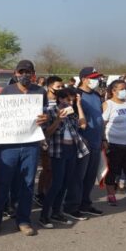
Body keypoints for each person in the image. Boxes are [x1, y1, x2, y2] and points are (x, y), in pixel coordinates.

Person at [0, 60, 48, 236]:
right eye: (21, 72)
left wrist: (46, 118)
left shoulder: (40, 91)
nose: (25, 75)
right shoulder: (7, 91)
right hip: (9, 146)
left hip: (31, 145)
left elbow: (47, 113)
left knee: (28, 183)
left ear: (33, 73)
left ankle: (23, 220)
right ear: (15, 73)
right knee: (2, 183)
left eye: (28, 72)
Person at [38, 87, 87, 229]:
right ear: (60, 99)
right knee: (56, 184)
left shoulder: (71, 113)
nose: (70, 102)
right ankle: (44, 215)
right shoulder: (50, 112)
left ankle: (56, 212)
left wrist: (78, 105)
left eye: (72, 100)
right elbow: (46, 133)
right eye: (67, 99)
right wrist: (58, 119)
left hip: (71, 150)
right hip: (58, 151)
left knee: (65, 183)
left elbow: (83, 125)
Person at [63, 67, 105, 221]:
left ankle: (85, 204)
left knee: (90, 176)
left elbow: (99, 118)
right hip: (82, 142)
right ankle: (71, 206)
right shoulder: (76, 95)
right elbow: (70, 118)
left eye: (97, 77)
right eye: (93, 78)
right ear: (84, 79)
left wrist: (103, 139)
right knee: (78, 176)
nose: (96, 80)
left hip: (96, 141)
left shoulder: (96, 95)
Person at [36, 76, 64, 206]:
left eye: (61, 86)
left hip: (59, 141)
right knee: (47, 168)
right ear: (49, 87)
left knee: (53, 170)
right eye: (57, 87)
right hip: (45, 140)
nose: (60, 89)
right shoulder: (42, 102)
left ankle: (49, 192)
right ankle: (41, 193)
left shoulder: (61, 102)